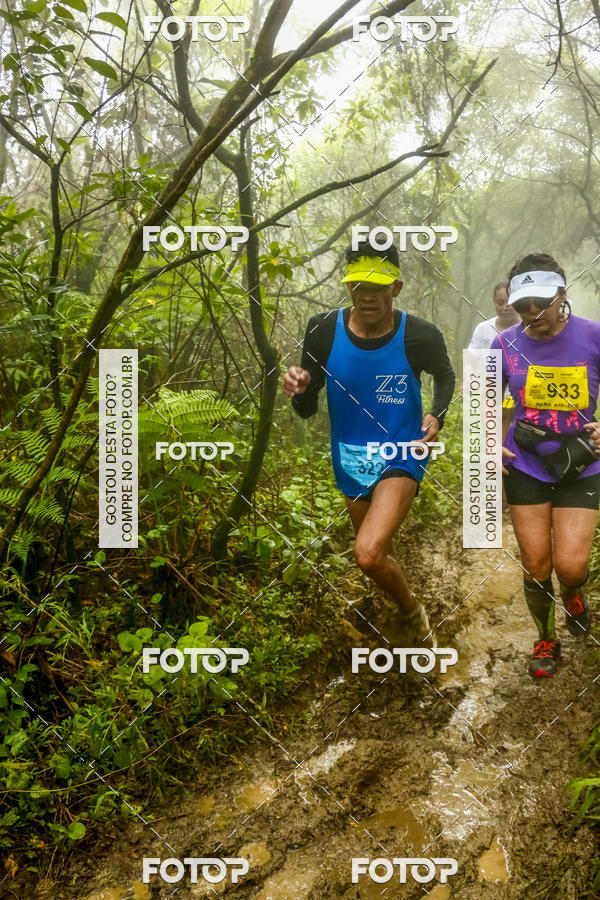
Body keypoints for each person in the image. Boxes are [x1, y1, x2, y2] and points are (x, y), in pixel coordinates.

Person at [282, 239, 455, 646]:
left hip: (401, 452)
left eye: (378, 286)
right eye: (359, 285)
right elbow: (306, 408)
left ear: (395, 287)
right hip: (351, 459)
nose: (368, 295)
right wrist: (301, 386)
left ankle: (413, 615)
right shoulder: (323, 329)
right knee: (375, 558)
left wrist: (437, 415)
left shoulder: (420, 335)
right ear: (348, 288)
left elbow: (445, 375)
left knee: (367, 553)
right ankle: (397, 605)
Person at [492, 252, 600, 677]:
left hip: (582, 464)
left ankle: (574, 591)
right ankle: (546, 637)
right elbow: (487, 403)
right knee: (536, 565)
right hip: (527, 464)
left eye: (540, 302)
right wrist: (489, 443)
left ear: (561, 295)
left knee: (570, 565)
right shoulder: (504, 344)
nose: (531, 313)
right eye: (522, 305)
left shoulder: (592, 336)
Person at [468, 281, 519, 350]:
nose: (505, 307)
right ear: (494, 302)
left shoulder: (529, 329)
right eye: (500, 303)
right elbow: (471, 360)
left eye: (510, 302)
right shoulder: (483, 329)